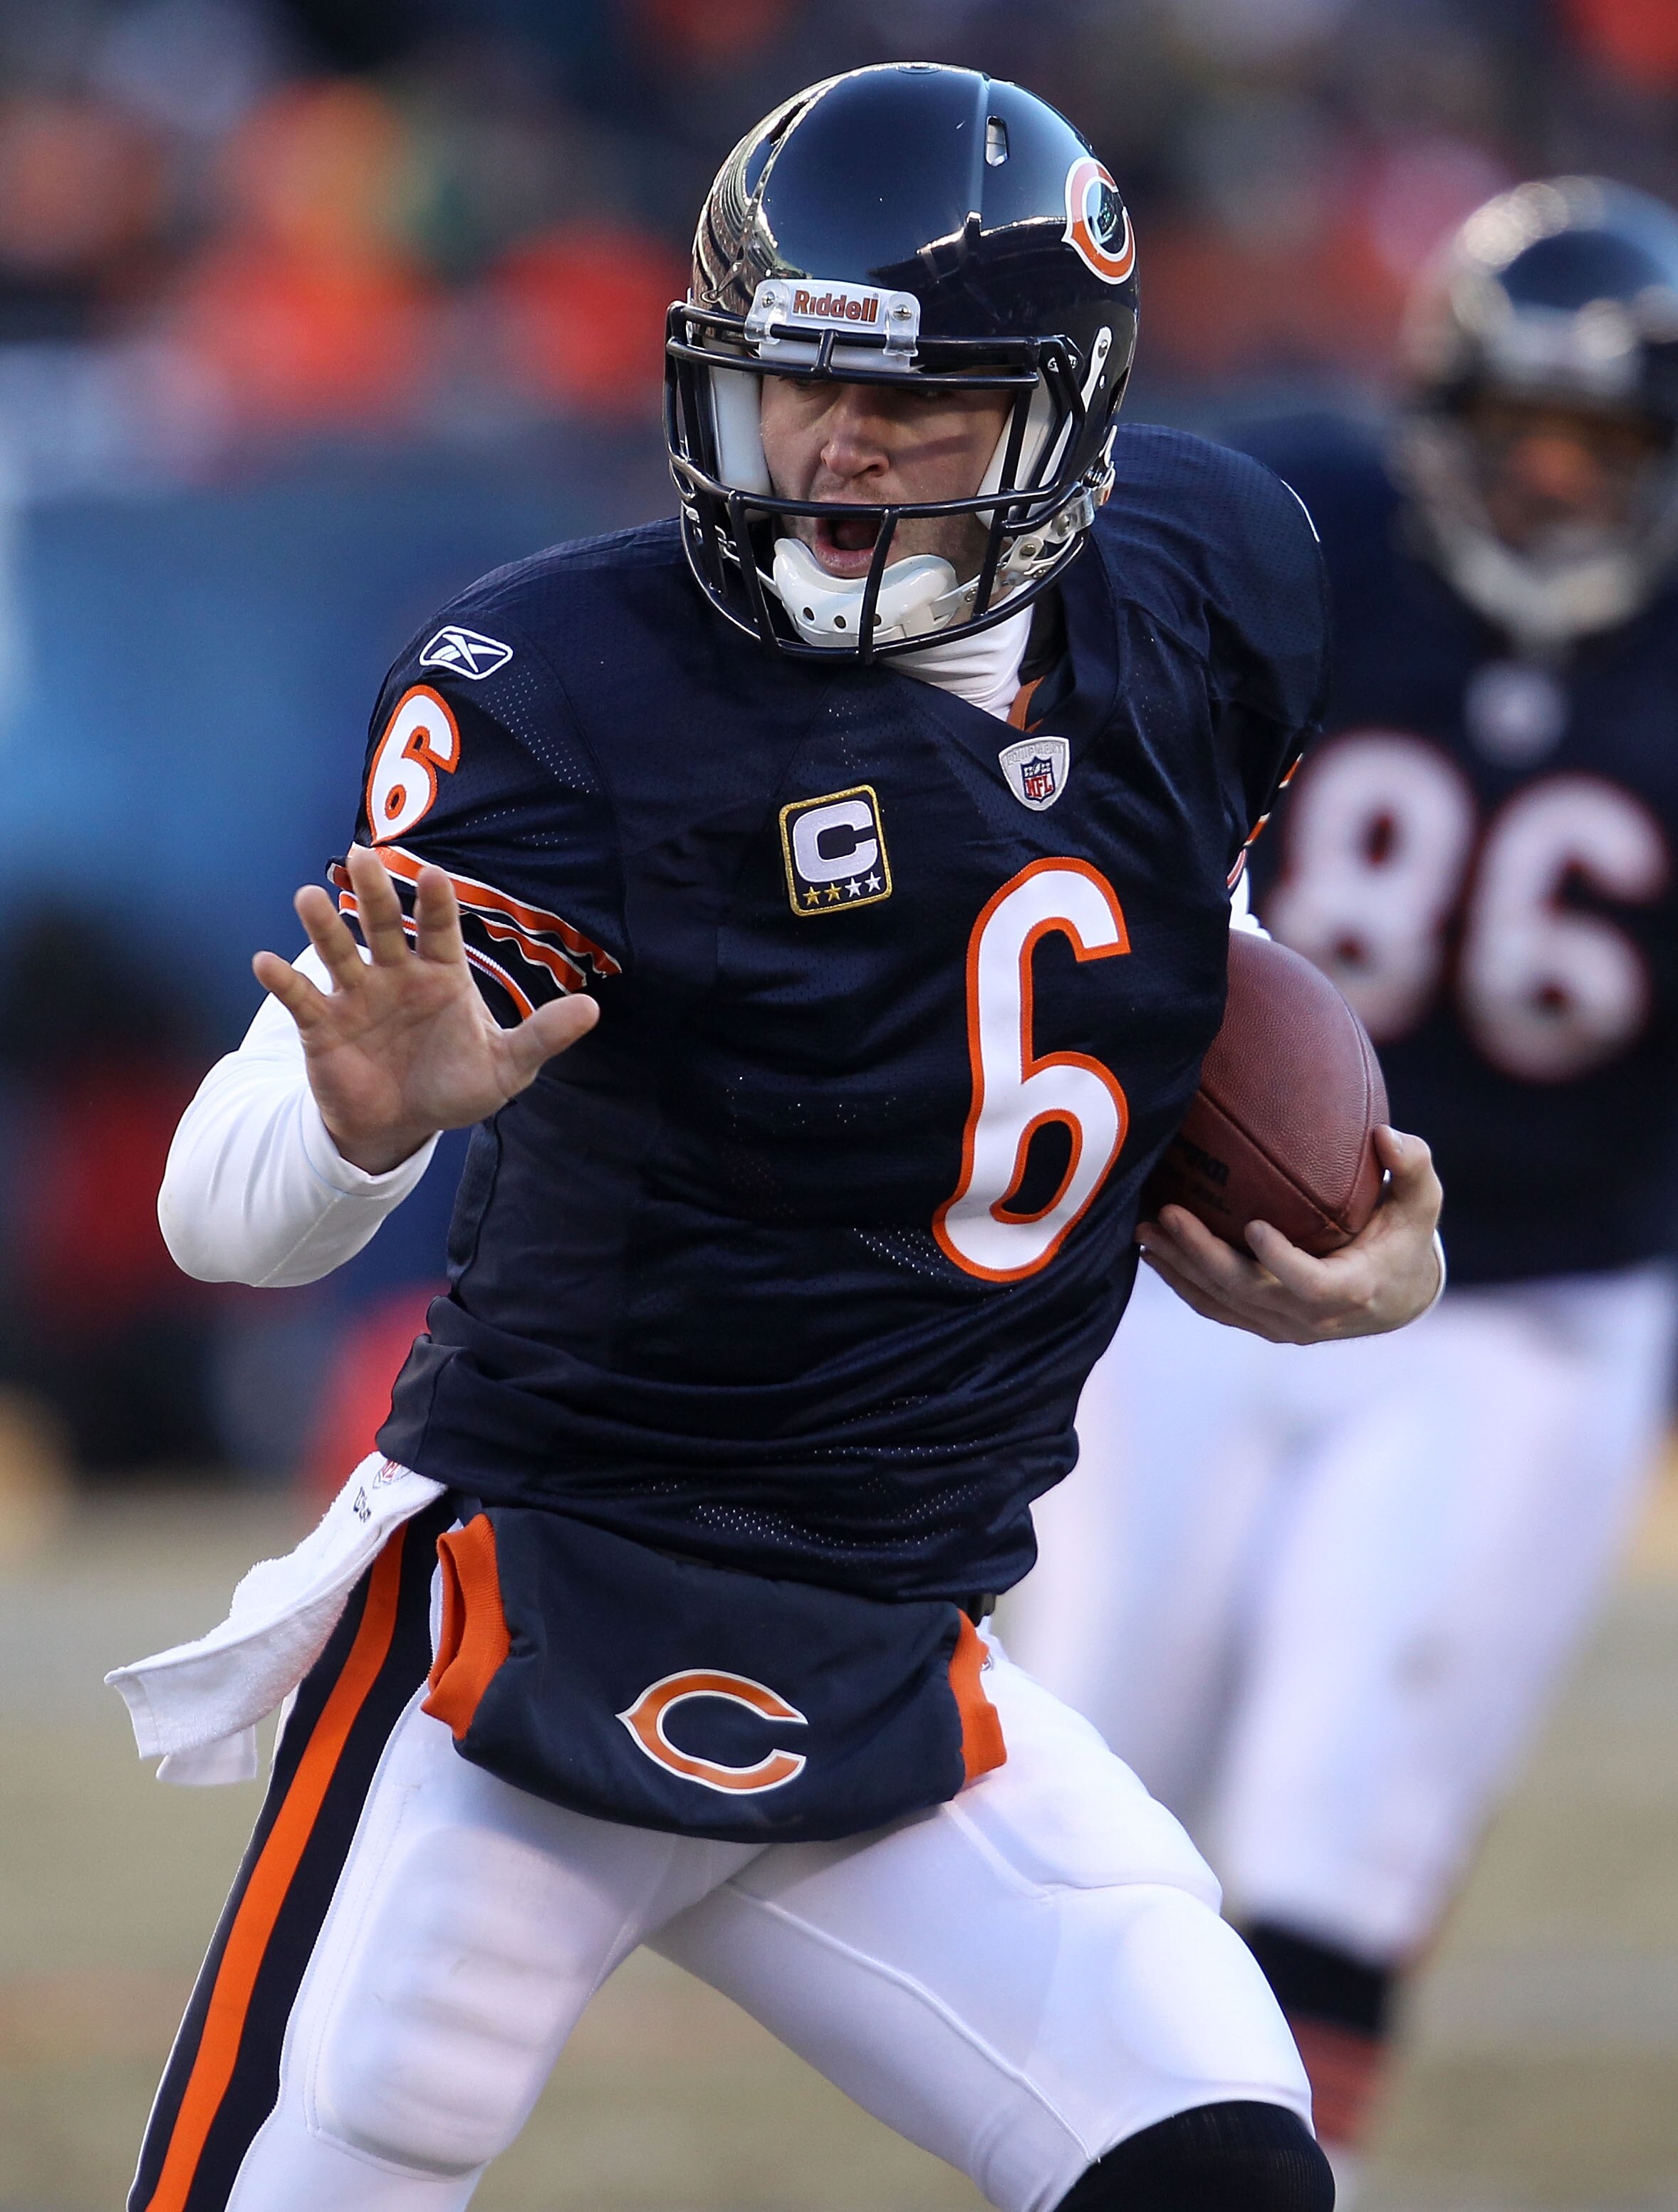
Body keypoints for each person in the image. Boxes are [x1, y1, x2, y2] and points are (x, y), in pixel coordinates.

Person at [115, 66, 1441, 2212]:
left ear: (1068, 419)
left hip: (909, 1646)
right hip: (528, 1623)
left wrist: (1367, 1231)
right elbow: (216, 1209)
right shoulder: (574, 683)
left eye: (911, 411)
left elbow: (1179, 923)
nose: (833, 456)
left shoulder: (1205, 580)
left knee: (1224, 2165)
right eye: (790, 391)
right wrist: (360, 1121)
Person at [1008, 175, 1678, 2194]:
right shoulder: (1293, 544)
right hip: (1196, 1258)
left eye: (1603, 446)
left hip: (1523, 1304)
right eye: (1519, 432)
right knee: (1078, 1777)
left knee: (1339, 1818)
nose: (1552, 482)